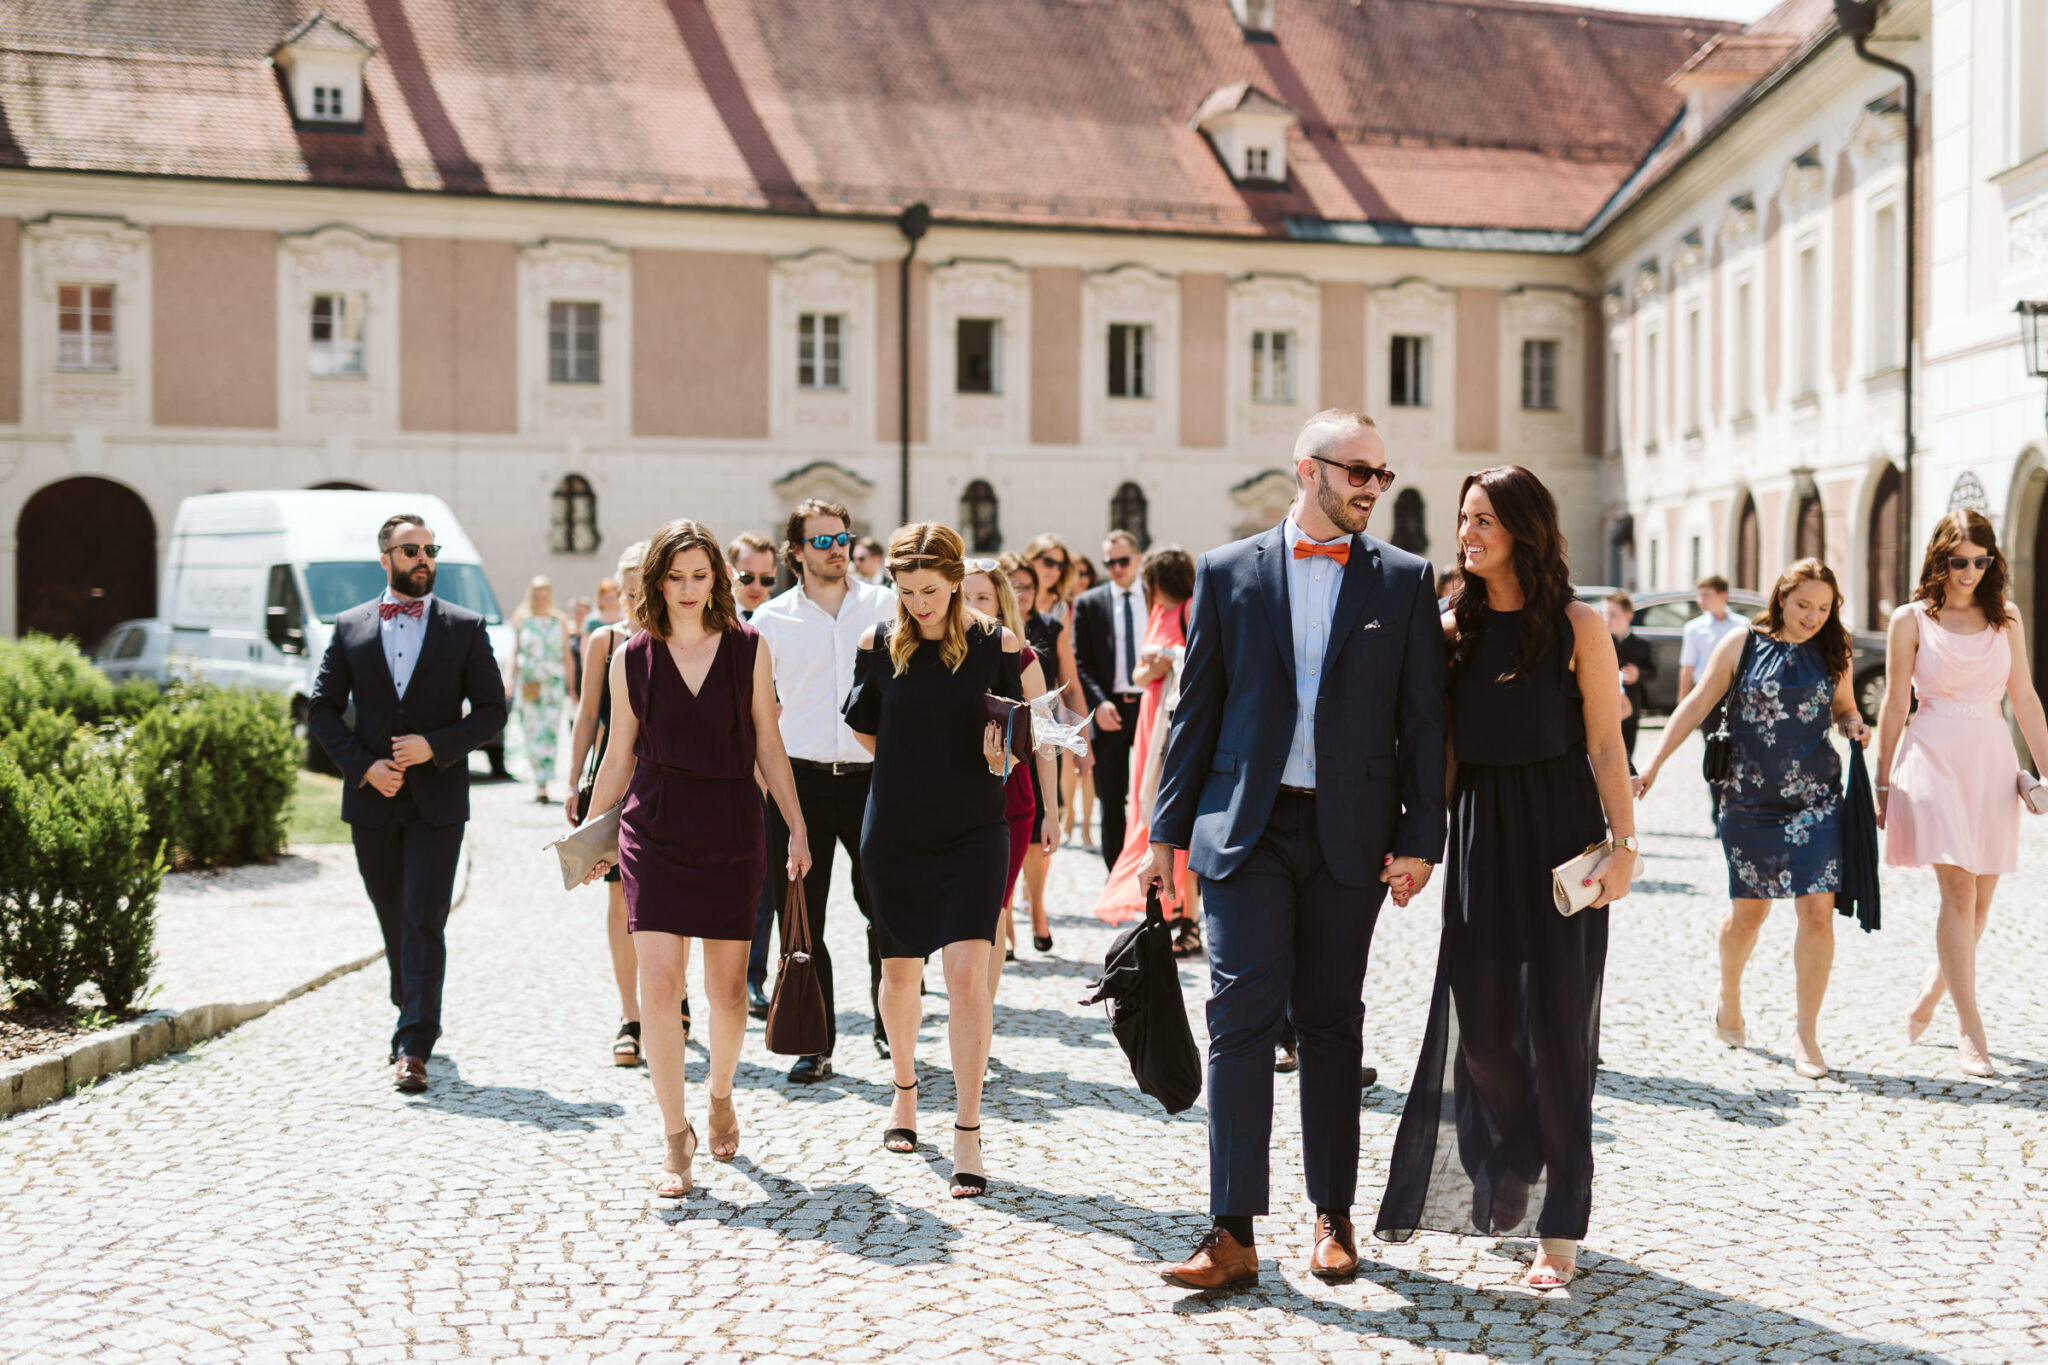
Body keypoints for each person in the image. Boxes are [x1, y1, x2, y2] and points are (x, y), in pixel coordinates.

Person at [1145, 409, 1446, 1292]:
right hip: (1248, 825)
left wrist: (1420, 837)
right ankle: (1231, 1231)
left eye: (1382, 474)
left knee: (1329, 1020)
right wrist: (1165, 832)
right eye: (1358, 471)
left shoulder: (1404, 580)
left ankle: (1333, 1215)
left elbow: (1425, 722)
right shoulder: (1226, 571)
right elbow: (1196, 711)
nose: (1372, 487)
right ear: (1308, 469)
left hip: (1353, 833)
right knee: (1238, 1015)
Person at [1374, 466, 1637, 1293]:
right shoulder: (1450, 628)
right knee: (1484, 1032)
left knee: (1561, 1033)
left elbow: (1606, 744)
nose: (1467, 533)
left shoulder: (1578, 625)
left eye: (1483, 518)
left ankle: (1560, 1226)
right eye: (1464, 518)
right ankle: (1520, 1151)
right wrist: (1421, 846)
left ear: (1524, 527)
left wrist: (1625, 845)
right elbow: (1444, 752)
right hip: (1483, 836)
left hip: (1561, 836)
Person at [580, 521, 810, 1198]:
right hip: (653, 829)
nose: (687, 589)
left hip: (731, 826)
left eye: (699, 576)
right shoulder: (632, 657)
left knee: (728, 992)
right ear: (656, 582)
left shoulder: (749, 648)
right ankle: (674, 1136)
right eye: (675, 577)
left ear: (717, 580)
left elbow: (768, 744)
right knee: (659, 988)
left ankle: (720, 1094)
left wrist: (797, 825)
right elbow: (618, 755)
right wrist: (591, 837)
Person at [843, 523, 1031, 1199]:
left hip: (975, 829)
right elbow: (865, 728)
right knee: (900, 976)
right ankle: (904, 1090)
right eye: (906, 590)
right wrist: (913, 762)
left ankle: (968, 1129)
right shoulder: (877, 643)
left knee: (967, 976)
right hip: (895, 829)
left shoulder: (997, 644)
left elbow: (1020, 736)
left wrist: (997, 755)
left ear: (956, 581)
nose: (918, 603)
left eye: (930, 590)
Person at [1634, 558, 1869, 1082]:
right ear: (1780, 598)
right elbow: (1696, 704)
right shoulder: (1741, 644)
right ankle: (1730, 994)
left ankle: (1806, 1033)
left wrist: (1854, 724)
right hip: (1748, 801)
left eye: (1823, 608)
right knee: (1749, 916)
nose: (1812, 616)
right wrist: (1652, 764)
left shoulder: (1835, 649)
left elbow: (1845, 707)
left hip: (1816, 799)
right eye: (1803, 604)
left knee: (1818, 913)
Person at [307, 513, 506, 1094]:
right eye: (411, 550)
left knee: (424, 915)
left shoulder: (465, 627)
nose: (423, 558)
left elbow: (492, 711)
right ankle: (409, 999)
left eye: (429, 549)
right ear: (385, 559)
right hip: (373, 801)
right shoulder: (349, 626)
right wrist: (364, 767)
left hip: (437, 802)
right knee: (392, 912)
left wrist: (434, 746)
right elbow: (322, 709)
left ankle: (415, 1042)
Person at [1877, 511, 2048, 1078]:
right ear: (1939, 559)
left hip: (1991, 758)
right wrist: (1881, 780)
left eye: (1981, 561)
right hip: (1931, 755)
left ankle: (1933, 989)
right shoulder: (1910, 620)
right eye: (1959, 561)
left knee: (1980, 902)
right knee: (1958, 889)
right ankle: (1970, 1030)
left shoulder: (2007, 617)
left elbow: (2024, 698)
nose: (1970, 571)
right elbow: (1894, 704)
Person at [749, 499, 898, 1078]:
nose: (837, 550)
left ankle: (893, 1028)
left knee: (885, 911)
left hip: (874, 783)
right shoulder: (769, 621)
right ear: (796, 552)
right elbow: (756, 715)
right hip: (798, 787)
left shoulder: (887, 606)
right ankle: (816, 1044)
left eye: (842, 539)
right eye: (823, 541)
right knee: (802, 919)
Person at [567, 542, 695, 1065]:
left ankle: (675, 994)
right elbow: (587, 713)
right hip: (618, 779)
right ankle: (631, 1015)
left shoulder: (684, 640)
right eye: (629, 588)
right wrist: (573, 781)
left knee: (678, 899)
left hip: (673, 781)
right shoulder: (607, 641)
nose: (637, 597)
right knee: (621, 901)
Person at [959, 558, 1060, 971]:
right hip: (950, 799)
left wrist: (1052, 812)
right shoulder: (935, 657)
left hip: (1009, 803)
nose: (973, 606)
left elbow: (1046, 741)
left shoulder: (1024, 659)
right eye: (964, 596)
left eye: (983, 597)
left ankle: (981, 1002)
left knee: (994, 908)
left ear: (1001, 603)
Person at [1092, 545, 1195, 938]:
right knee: (1144, 800)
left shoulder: (1189, 609)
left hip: (1173, 717)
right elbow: (1138, 675)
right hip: (1149, 719)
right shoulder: (1157, 612)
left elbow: (1201, 660)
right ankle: (1158, 897)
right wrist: (1153, 668)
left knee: (1168, 804)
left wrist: (1173, 658)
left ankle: (1181, 905)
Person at [1072, 531, 1150, 873]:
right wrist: (1099, 703)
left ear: (1138, 559)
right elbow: (1080, 662)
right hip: (1110, 708)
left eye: (1122, 561)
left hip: (1150, 705)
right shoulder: (1090, 603)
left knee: (1154, 795)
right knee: (1112, 799)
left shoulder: (1156, 596)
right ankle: (1116, 876)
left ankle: (1154, 873)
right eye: (1109, 562)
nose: (1116, 568)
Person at [1006, 554, 1059, 949]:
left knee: (1035, 842)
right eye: (1014, 586)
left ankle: (1036, 908)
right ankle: (1006, 923)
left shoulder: (1045, 632)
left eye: (1027, 586)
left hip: (1033, 753)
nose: (1021, 593)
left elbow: (1068, 680)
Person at [505, 576, 576, 803]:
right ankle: (537, 778)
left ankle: (545, 781)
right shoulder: (522, 621)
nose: (541, 600)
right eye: (537, 596)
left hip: (553, 686)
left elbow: (567, 655)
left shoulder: (559, 621)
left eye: (544, 596)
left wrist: (572, 687)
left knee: (550, 731)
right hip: (530, 685)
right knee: (532, 729)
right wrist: (508, 679)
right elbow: (515, 653)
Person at [1605, 591, 1656, 759]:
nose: (1608, 619)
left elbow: (1652, 672)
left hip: (1632, 708)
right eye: (1606, 614)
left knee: (1627, 755)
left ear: (1628, 616)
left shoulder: (1641, 643)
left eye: (1613, 614)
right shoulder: (1601, 640)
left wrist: (1638, 674)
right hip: (1607, 706)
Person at [1678, 574, 1741, 697]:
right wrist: (1682, 700)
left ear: (1723, 596)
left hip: (1735, 692)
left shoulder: (1743, 625)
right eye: (1699, 595)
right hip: (1704, 692)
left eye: (1706, 595)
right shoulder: (1694, 628)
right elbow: (1688, 667)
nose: (1700, 601)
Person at [729, 531, 779, 620]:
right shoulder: (712, 617)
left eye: (765, 579)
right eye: (747, 577)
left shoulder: (782, 617)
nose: (756, 588)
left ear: (774, 574)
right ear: (730, 572)